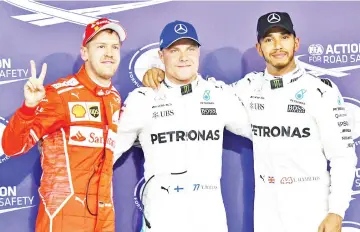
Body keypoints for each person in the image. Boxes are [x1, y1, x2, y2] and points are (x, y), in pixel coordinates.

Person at [142, 12, 357, 232]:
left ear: (296, 42)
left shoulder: (321, 92)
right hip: (267, 211)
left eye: (284, 37)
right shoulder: (248, 88)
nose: (277, 45)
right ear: (259, 48)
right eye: (269, 39)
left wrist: (336, 211)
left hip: (312, 208)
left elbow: (343, 156)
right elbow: (201, 94)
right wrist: (161, 74)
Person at [113, 20, 251, 232]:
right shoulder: (142, 99)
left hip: (208, 221)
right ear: (161, 56)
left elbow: (265, 132)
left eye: (190, 49)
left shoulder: (218, 95)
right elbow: (107, 152)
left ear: (198, 53)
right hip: (162, 220)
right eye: (174, 50)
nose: (184, 57)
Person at [2, 18, 126, 232]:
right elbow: (12, 147)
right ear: (85, 53)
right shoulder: (60, 95)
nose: (109, 53)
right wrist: (29, 108)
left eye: (114, 47)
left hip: (104, 219)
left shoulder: (114, 98)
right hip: (64, 218)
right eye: (101, 46)